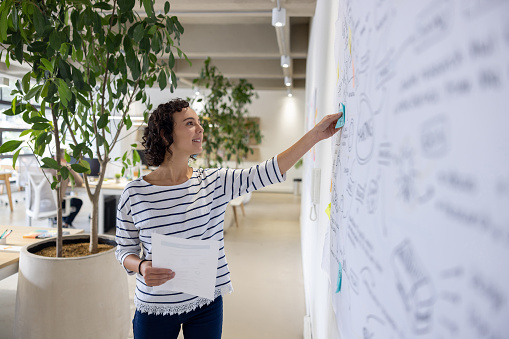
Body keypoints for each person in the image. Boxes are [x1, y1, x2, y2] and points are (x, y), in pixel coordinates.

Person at [115, 98, 342, 339]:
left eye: (199, 123)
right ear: (164, 134)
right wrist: (140, 266)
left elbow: (266, 172)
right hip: (155, 307)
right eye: (190, 123)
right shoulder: (135, 193)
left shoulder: (214, 182)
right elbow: (123, 250)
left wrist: (316, 135)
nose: (200, 129)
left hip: (206, 303)